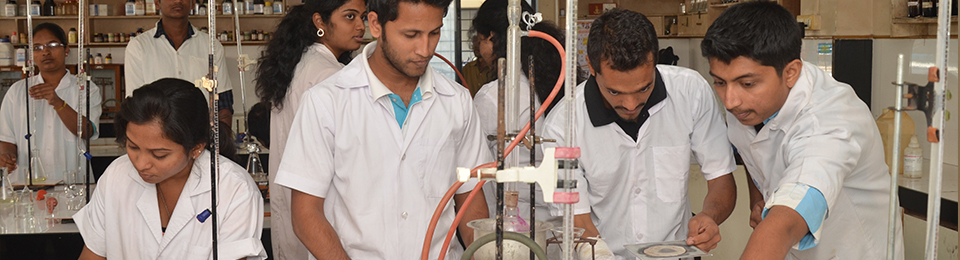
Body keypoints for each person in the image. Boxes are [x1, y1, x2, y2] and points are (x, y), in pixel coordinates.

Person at [273, 0, 492, 258]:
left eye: (434, 33)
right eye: (411, 35)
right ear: (376, 24)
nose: (425, 49)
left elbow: (470, 199)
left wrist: (484, 252)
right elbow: (305, 215)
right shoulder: (327, 102)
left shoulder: (456, 101)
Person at [701, 2, 904, 259]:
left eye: (748, 83)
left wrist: (774, 218)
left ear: (791, 72)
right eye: (719, 82)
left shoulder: (830, 122)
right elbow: (755, 153)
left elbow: (784, 225)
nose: (729, 101)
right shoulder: (748, 105)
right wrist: (759, 201)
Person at [541, 9, 737, 258]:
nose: (631, 104)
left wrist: (710, 216)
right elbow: (577, 220)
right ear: (590, 66)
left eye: (644, 88)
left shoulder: (691, 93)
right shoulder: (562, 126)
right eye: (615, 92)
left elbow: (721, 179)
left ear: (655, 62)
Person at [75, 78, 266, 260]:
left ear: (196, 148)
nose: (141, 164)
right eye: (133, 147)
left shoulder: (233, 189)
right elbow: (93, 253)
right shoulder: (117, 175)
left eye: (159, 155)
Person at [254, 0, 366, 258]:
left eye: (362, 16)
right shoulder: (330, 75)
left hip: (295, 206)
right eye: (350, 17)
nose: (360, 26)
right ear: (320, 22)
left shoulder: (299, 64)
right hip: (321, 211)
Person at [469, 0, 568, 238]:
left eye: (481, 39)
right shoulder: (560, 80)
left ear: (492, 38)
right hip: (562, 225)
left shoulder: (494, 96)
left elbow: (475, 166)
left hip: (516, 227)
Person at [0, 23, 102, 185]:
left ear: (66, 49)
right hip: (25, 183)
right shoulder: (17, 92)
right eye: (38, 47)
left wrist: (57, 102)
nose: (45, 52)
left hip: (72, 182)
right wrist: (6, 157)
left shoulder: (85, 89)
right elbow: (6, 140)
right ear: (31, 55)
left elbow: (87, 131)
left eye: (53, 45)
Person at [124, 0, 234, 126]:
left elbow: (224, 103)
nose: (177, 1)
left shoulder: (211, 45)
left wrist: (222, 143)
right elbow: (135, 104)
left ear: (193, 3)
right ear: (157, 3)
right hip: (157, 133)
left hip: (200, 133)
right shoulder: (138, 46)